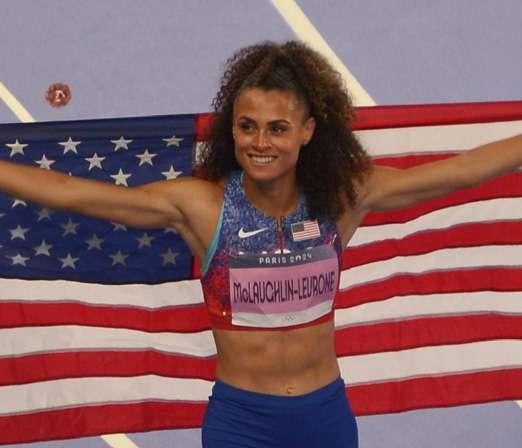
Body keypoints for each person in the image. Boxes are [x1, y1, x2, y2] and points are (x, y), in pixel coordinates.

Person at [0, 40, 521, 447]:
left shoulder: (342, 198)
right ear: (231, 130)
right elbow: (75, 193)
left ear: (307, 130)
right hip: (241, 423)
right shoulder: (202, 207)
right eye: (247, 127)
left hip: (324, 418)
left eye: (277, 128)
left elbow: (458, 172)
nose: (260, 143)